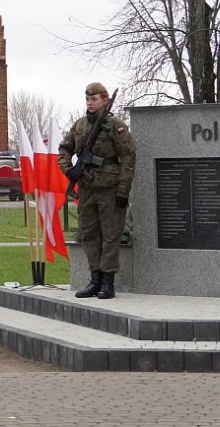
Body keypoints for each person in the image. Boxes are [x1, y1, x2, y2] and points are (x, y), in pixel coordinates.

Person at [58, 82, 137, 300]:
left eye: (94, 99)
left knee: (110, 235)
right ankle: (94, 279)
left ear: (104, 100)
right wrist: (68, 170)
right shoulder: (80, 125)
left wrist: (123, 190)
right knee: (90, 234)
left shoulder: (115, 125)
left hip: (110, 188)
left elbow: (129, 156)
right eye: (87, 99)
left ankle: (107, 282)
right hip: (86, 187)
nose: (90, 103)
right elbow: (65, 149)